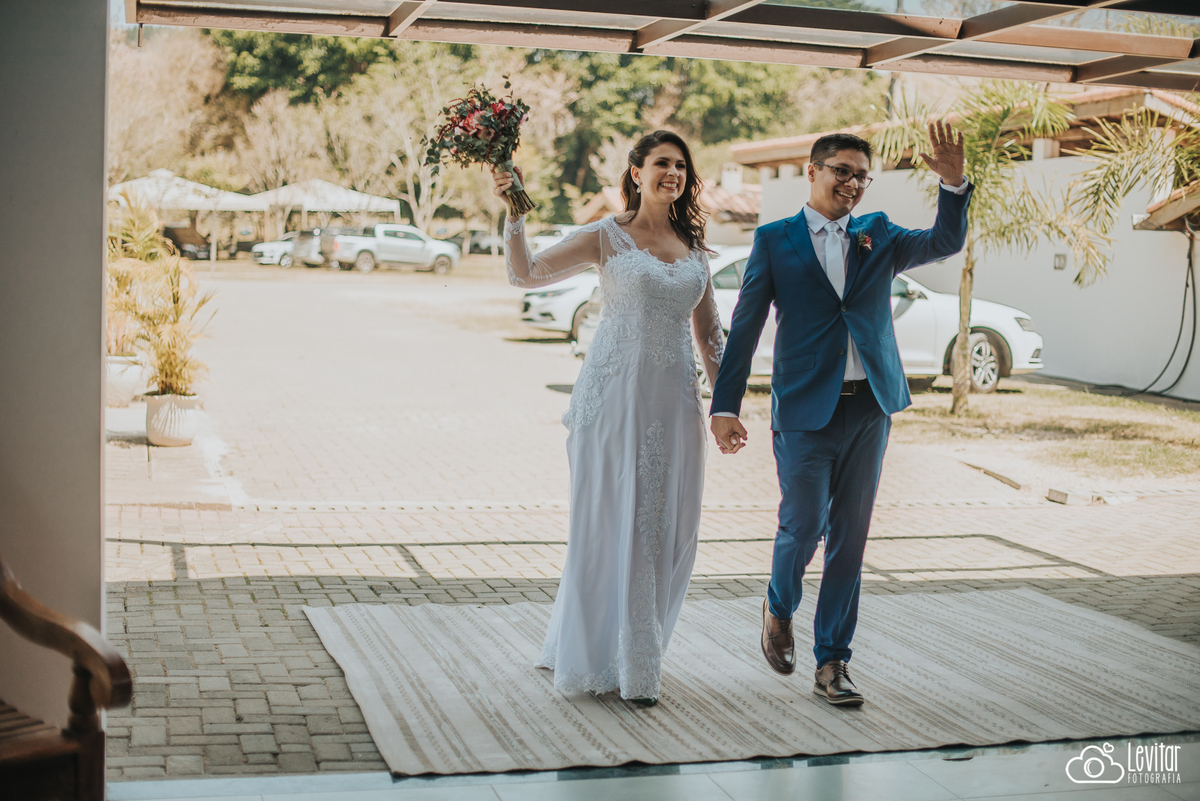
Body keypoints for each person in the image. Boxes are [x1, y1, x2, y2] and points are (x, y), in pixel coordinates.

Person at [709, 123, 970, 707]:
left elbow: (943, 243)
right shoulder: (775, 239)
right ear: (813, 170)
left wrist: (952, 185)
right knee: (803, 525)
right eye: (841, 171)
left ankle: (833, 664)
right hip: (804, 409)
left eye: (860, 175)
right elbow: (746, 325)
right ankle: (779, 606)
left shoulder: (879, 234)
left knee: (849, 539)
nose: (852, 184)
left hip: (869, 408)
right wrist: (725, 404)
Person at [493, 131, 725, 707]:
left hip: (675, 405)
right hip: (614, 401)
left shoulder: (695, 248)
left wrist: (725, 408)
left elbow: (710, 335)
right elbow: (526, 275)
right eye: (661, 163)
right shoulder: (606, 236)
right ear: (637, 171)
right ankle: (612, 659)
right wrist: (514, 214)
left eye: (680, 165)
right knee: (612, 527)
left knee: (668, 530)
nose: (672, 172)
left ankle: (637, 648)